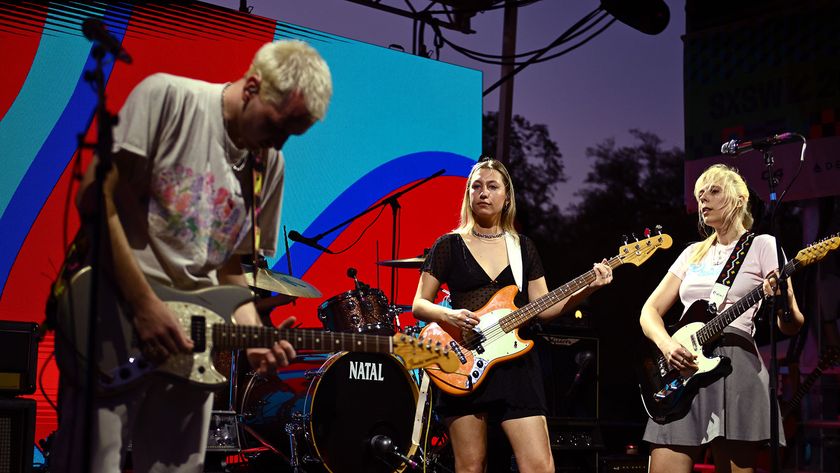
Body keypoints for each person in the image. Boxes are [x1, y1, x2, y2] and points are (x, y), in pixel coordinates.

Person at [51, 40, 332, 472]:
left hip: (190, 346)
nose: (280, 141)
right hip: (113, 317)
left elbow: (229, 264)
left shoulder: (268, 164)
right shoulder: (168, 98)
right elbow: (94, 197)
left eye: (294, 134)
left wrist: (254, 335)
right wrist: (144, 305)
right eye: (279, 125)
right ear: (253, 85)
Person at [411, 157, 612, 473]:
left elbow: (544, 308)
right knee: (470, 466)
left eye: (492, 187)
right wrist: (450, 317)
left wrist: (588, 288)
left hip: (517, 366)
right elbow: (420, 304)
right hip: (464, 360)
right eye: (476, 186)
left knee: (540, 466)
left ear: (506, 197)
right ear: (468, 194)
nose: (484, 193)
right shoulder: (448, 245)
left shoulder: (523, 248)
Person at [639, 164, 805, 473]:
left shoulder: (763, 245)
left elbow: (791, 324)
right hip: (683, 364)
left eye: (714, 191)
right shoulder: (692, 254)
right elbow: (649, 311)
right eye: (700, 194)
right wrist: (666, 346)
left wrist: (785, 298)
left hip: (736, 366)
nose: (704, 200)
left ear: (740, 199)